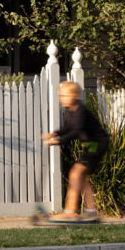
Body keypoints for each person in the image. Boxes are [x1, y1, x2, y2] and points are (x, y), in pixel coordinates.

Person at [42, 80, 108, 222]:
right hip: (91, 144)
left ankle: (70, 211)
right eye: (60, 96)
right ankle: (91, 211)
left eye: (64, 96)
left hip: (96, 143)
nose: (61, 99)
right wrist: (54, 134)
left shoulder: (80, 111)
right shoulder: (71, 110)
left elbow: (75, 131)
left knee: (75, 172)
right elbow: (68, 129)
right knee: (81, 175)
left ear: (74, 96)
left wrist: (57, 141)